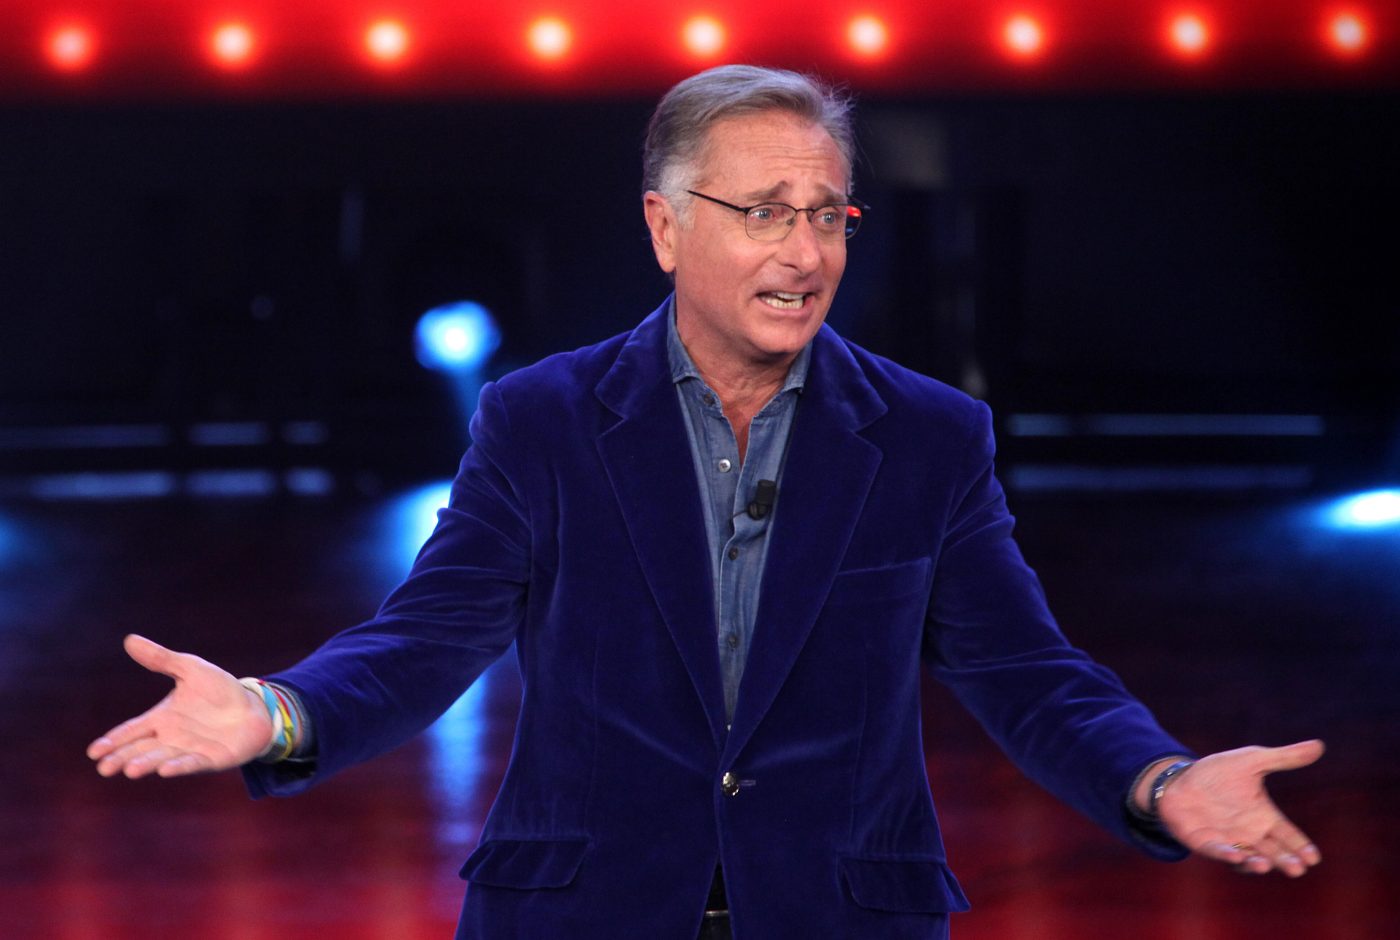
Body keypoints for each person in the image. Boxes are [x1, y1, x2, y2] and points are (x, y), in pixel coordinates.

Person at [88, 65, 1324, 939]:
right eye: (763, 214)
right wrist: (277, 710)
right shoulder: (543, 418)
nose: (804, 252)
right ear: (664, 228)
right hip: (582, 910)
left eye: (826, 215)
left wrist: (1158, 779)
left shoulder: (928, 437)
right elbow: (425, 641)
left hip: (839, 912)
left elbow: (1026, 672)